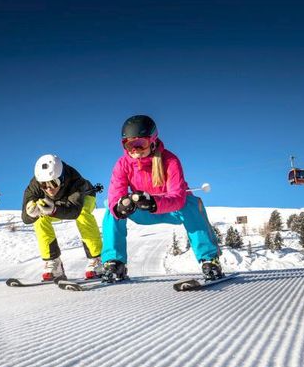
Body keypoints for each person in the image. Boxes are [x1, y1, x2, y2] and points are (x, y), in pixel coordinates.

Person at [101, 115, 222, 283]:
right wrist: (119, 207)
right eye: (129, 145)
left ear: (152, 140)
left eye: (140, 144)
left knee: (193, 204)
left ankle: (209, 260)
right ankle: (115, 263)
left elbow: (178, 198)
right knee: (111, 211)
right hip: (143, 212)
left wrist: (153, 203)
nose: (135, 150)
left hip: (171, 211)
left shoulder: (170, 160)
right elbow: (115, 194)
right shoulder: (123, 164)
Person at [22, 154, 103, 281]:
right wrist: (31, 214)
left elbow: (74, 211)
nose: (49, 188)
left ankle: (96, 259)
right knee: (40, 218)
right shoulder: (34, 185)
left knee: (82, 214)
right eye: (44, 185)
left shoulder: (75, 180)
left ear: (62, 178)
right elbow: (25, 218)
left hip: (84, 198)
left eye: (54, 183)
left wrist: (54, 210)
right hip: (56, 204)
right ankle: (54, 264)